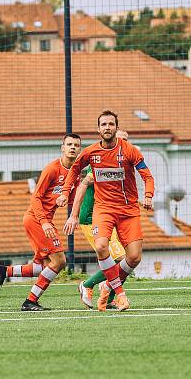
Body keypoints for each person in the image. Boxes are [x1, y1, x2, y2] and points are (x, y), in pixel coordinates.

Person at [58, 111, 154, 312]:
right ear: (98, 129)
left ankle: (106, 285)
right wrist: (66, 195)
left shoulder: (130, 151)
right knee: (102, 247)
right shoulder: (92, 153)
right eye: (104, 124)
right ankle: (119, 295)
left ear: (116, 128)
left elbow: (147, 176)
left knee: (134, 257)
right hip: (103, 209)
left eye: (111, 124)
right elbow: (75, 172)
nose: (107, 127)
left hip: (128, 210)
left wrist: (149, 195)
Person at [0, 134, 82, 311]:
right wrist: (44, 222)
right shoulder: (52, 169)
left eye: (76, 145)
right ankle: (30, 301)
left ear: (79, 150)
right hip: (36, 219)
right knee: (59, 261)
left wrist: (75, 216)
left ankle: (4, 271)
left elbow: (72, 200)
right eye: (69, 144)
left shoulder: (76, 173)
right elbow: (36, 198)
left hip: (44, 220)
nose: (72, 147)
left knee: (38, 267)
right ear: (62, 148)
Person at [63, 130, 130, 310]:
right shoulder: (101, 163)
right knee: (119, 258)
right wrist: (74, 215)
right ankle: (88, 284)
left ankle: (108, 298)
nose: (123, 144)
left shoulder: (123, 164)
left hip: (112, 216)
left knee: (129, 258)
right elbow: (83, 186)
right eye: (121, 140)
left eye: (126, 141)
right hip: (92, 218)